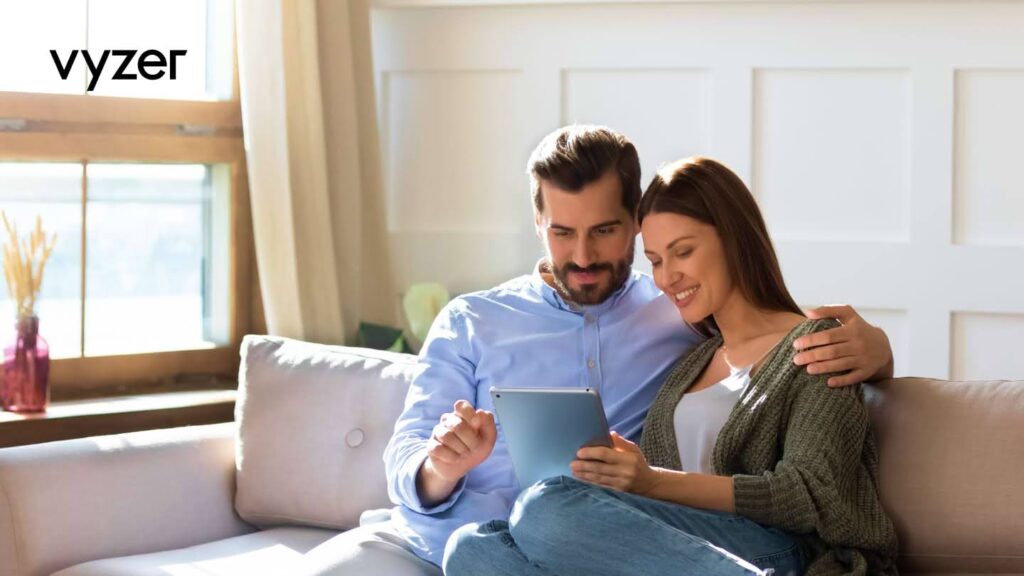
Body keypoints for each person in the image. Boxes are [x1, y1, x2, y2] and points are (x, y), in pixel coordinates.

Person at [302, 126, 894, 575]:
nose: (583, 256)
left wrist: (879, 352)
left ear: (632, 223)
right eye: (563, 232)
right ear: (538, 224)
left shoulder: (682, 321)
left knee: (546, 505)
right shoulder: (475, 321)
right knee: (472, 549)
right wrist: (443, 464)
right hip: (599, 546)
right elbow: (407, 457)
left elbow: (799, 417)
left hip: (733, 542)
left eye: (605, 231)